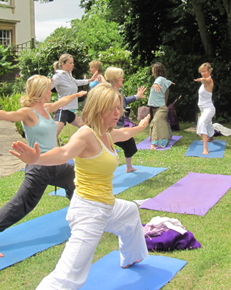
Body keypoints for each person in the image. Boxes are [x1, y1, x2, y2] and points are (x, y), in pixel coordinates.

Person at [10, 83, 151, 290]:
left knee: (130, 212)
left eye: (119, 108)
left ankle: (130, 257)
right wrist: (38, 158)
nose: (117, 113)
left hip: (107, 205)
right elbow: (64, 153)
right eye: (111, 108)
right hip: (89, 212)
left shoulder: (107, 133)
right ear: (97, 107)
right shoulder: (85, 134)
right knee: (69, 276)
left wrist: (141, 127)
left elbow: (124, 134)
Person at [0, 75, 86, 258]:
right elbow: (6, 115)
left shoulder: (47, 109)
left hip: (56, 163)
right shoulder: (28, 113)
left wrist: (77, 94)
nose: (50, 92)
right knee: (21, 204)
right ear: (39, 92)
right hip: (39, 167)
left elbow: (63, 100)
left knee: (76, 182)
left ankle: (78, 219)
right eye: (48, 89)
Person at [103, 67, 146, 172]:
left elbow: (124, 101)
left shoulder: (119, 91)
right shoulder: (109, 93)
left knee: (130, 146)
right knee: (108, 150)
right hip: (110, 128)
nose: (122, 78)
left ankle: (129, 167)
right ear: (114, 79)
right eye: (120, 77)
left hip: (119, 127)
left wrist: (137, 96)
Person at [52, 54, 95, 136]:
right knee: (54, 134)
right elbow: (47, 86)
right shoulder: (58, 76)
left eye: (73, 63)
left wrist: (89, 80)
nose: (73, 65)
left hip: (70, 111)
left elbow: (76, 82)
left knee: (86, 128)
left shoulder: (69, 75)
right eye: (70, 63)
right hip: (63, 109)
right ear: (63, 64)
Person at [147, 62, 175, 150]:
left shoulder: (159, 79)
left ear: (156, 70)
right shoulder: (164, 80)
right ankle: (169, 135)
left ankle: (154, 144)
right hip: (157, 107)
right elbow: (167, 90)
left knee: (156, 122)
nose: (152, 70)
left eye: (153, 69)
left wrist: (155, 85)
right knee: (161, 122)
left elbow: (158, 83)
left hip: (160, 108)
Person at [194, 62, 215, 155]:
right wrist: (202, 79)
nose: (203, 73)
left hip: (209, 108)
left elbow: (205, 81)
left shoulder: (210, 81)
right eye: (201, 72)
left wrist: (202, 79)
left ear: (209, 71)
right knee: (208, 123)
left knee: (202, 122)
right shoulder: (204, 82)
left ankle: (205, 148)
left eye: (205, 71)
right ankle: (211, 137)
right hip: (203, 109)